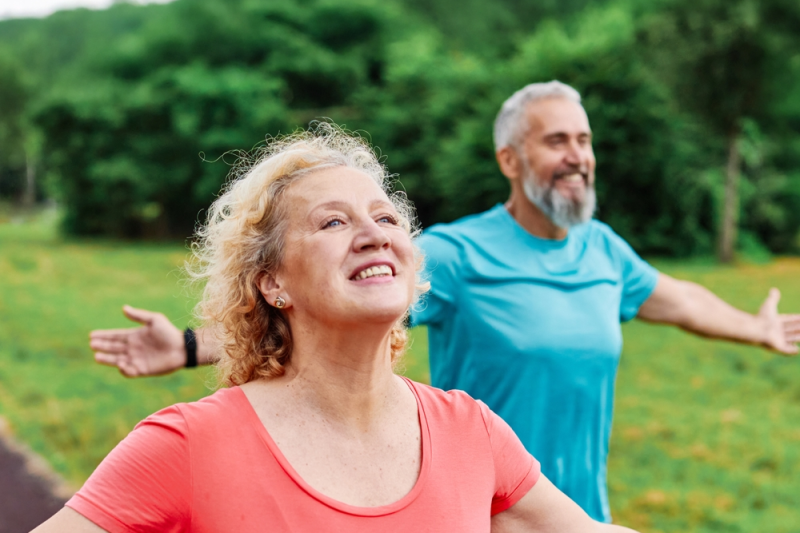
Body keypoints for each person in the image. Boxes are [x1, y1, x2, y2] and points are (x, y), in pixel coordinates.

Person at [89, 82, 800, 523]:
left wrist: (756, 327)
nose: (578, 154)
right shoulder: (458, 253)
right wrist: (192, 344)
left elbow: (677, 299)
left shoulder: (601, 254)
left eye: (584, 140)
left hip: (554, 506)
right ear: (510, 160)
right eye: (557, 140)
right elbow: (326, 300)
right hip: (475, 512)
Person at [36, 125, 640, 532]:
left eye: (386, 218)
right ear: (272, 283)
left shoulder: (471, 432)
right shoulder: (190, 444)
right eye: (333, 223)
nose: (375, 234)